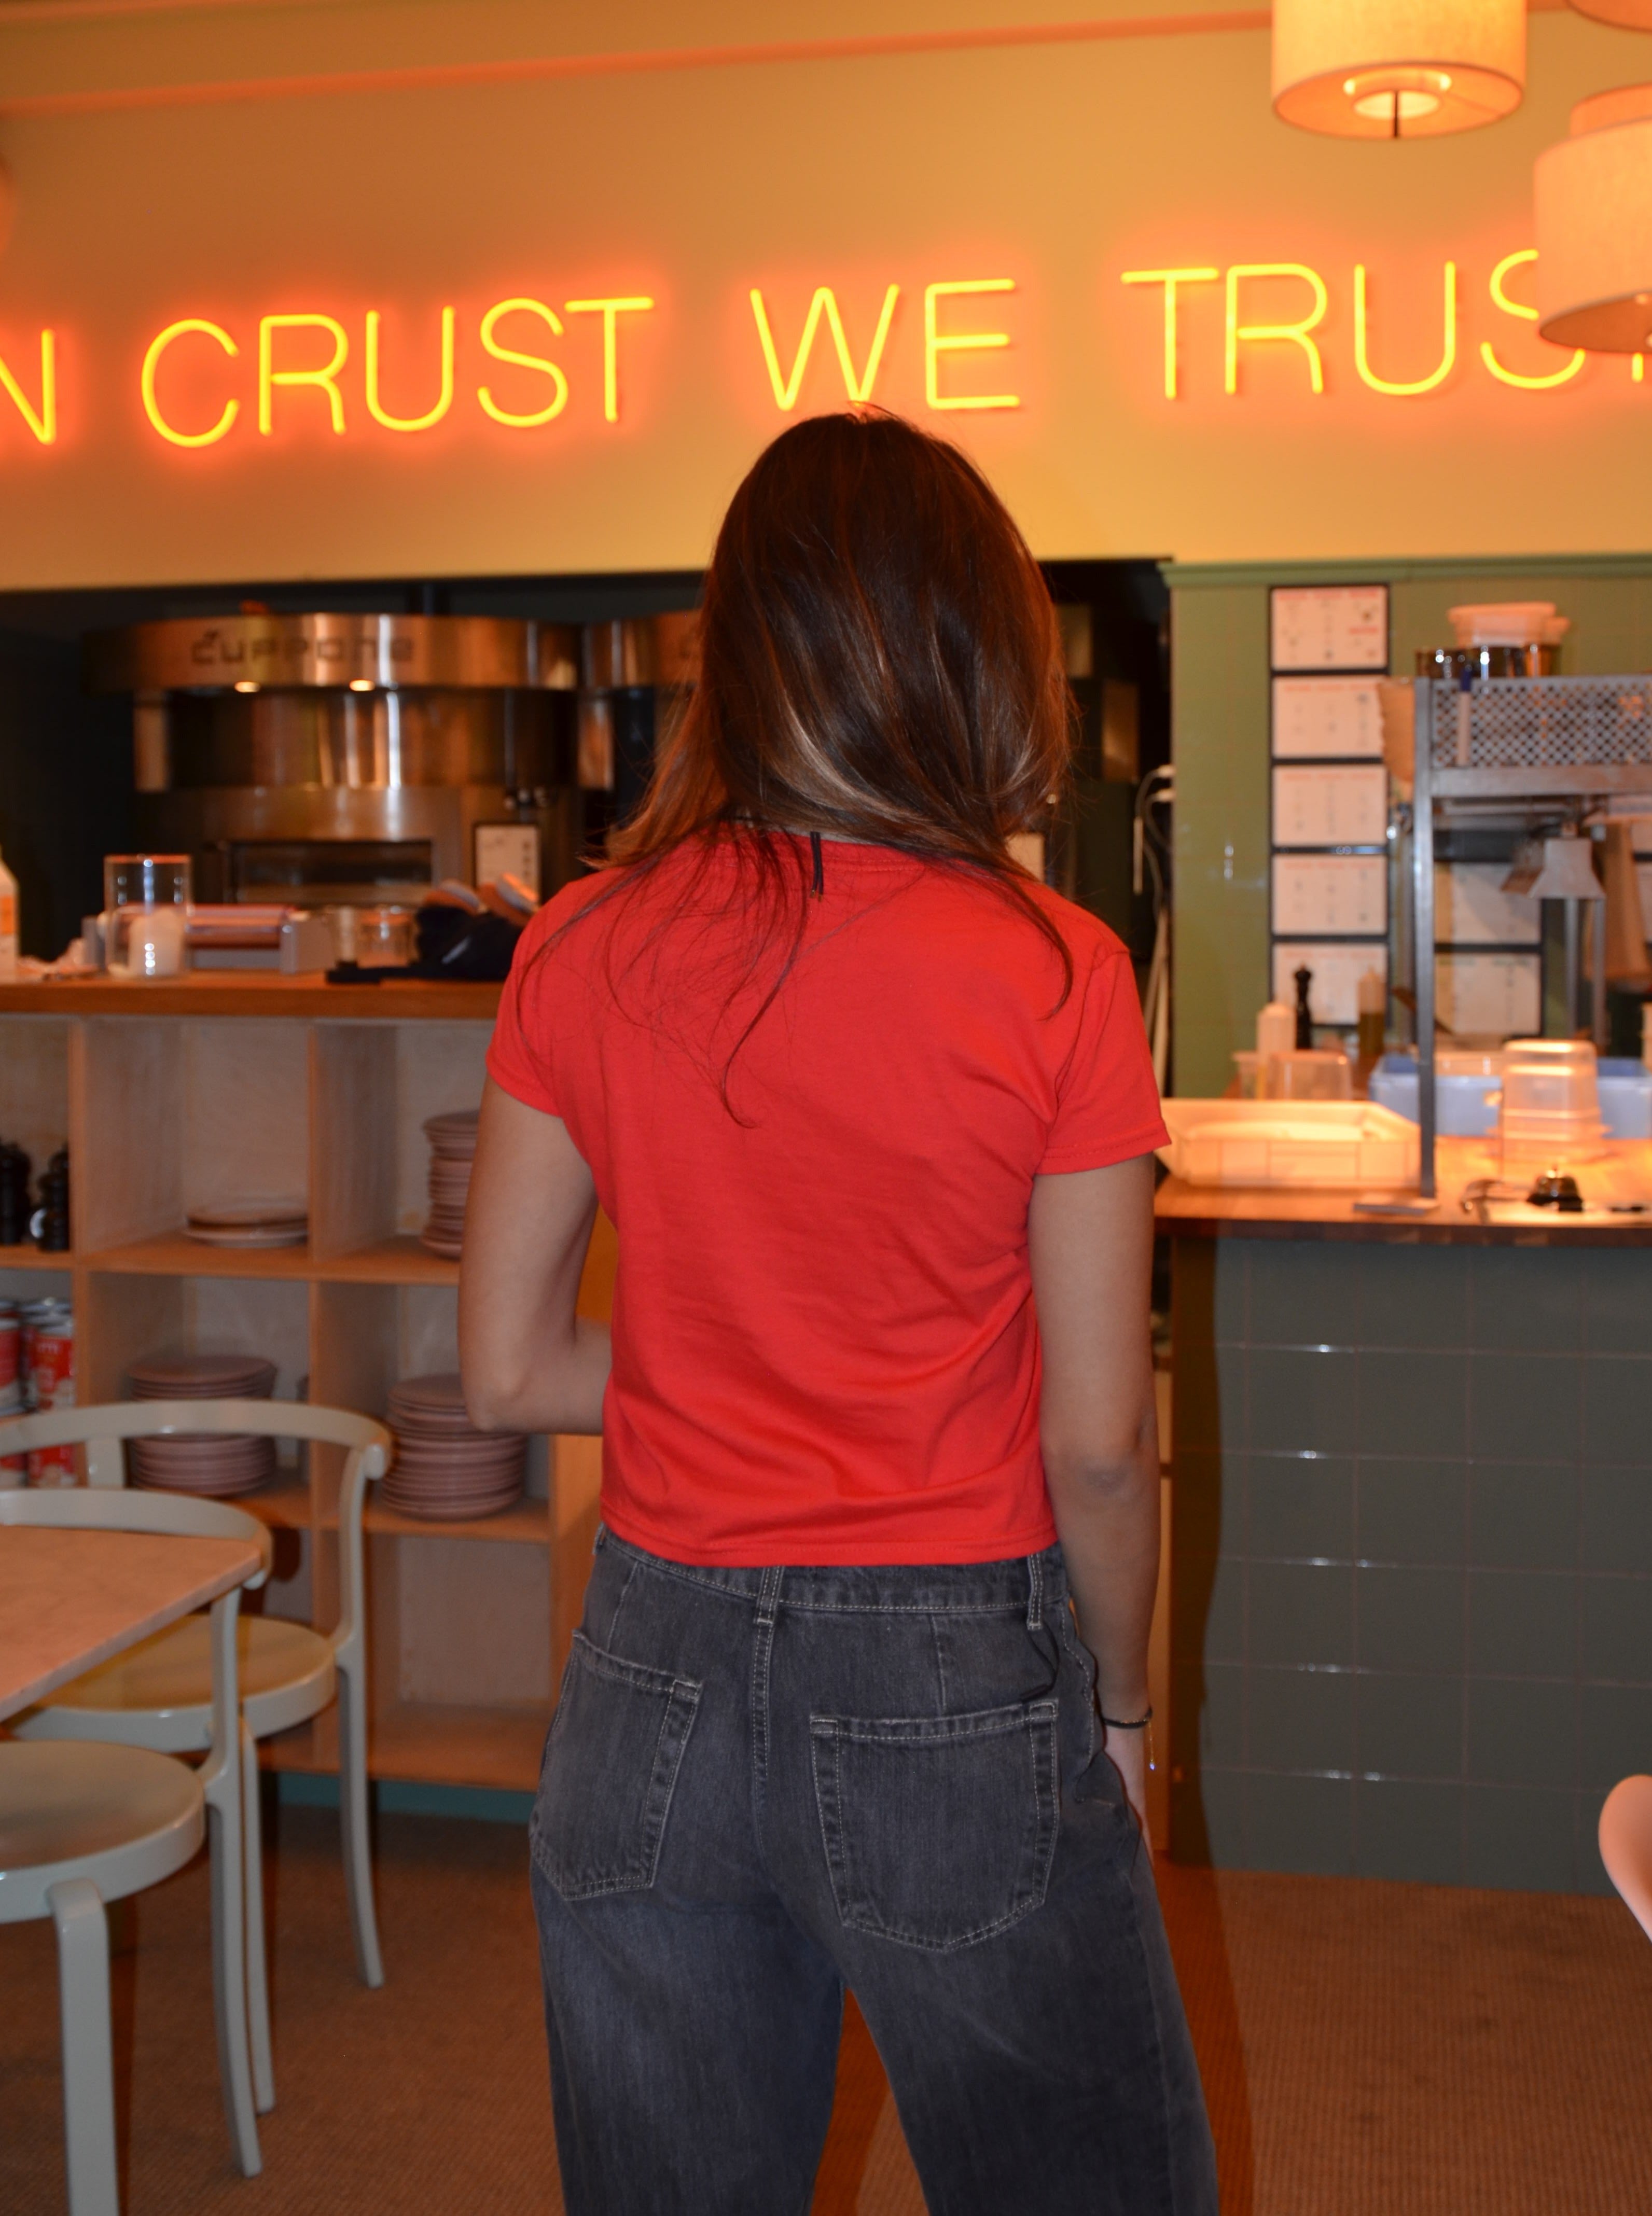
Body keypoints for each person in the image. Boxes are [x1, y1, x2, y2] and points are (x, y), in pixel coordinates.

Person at [460, 410, 1217, 2215]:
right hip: (954, 1682)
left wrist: (737, 1373)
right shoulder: (1054, 970)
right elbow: (1097, 1443)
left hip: (644, 1677)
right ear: (982, 652)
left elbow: (503, 1369)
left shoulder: (579, 943)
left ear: (733, 651)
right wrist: (1125, 1712)